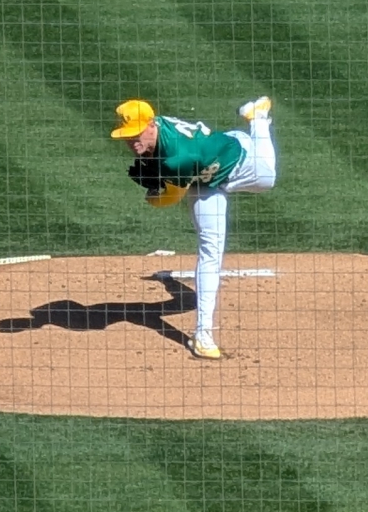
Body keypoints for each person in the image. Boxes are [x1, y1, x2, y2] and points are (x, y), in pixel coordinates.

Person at [110, 95, 278, 360]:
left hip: (236, 160)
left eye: (136, 134)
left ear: (152, 124)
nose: (132, 142)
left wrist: (153, 197)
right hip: (204, 182)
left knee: (267, 179)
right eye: (127, 136)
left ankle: (257, 118)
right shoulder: (160, 136)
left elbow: (170, 198)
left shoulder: (178, 158)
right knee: (210, 253)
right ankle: (203, 336)